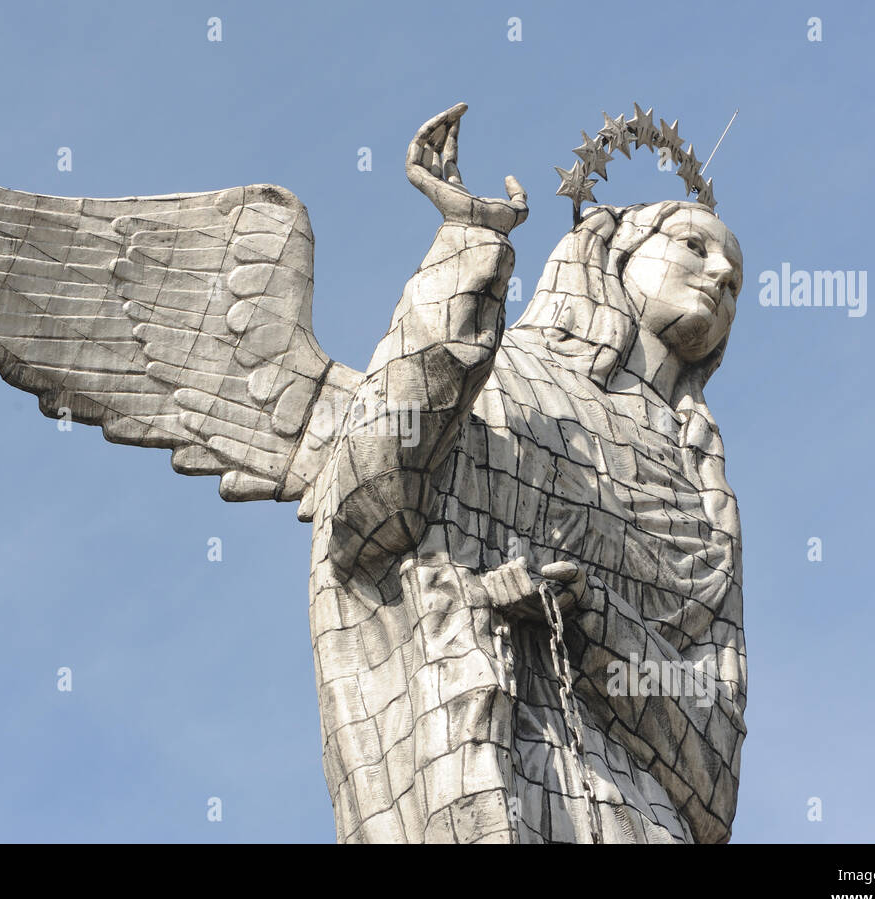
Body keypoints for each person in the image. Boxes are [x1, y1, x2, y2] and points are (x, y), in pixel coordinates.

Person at [310, 104, 747, 843]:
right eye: (695, 245)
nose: (723, 273)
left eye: (735, 278)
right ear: (612, 251)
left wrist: (595, 618)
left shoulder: (707, 496)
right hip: (500, 772)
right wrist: (468, 245)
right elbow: (367, 498)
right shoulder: (501, 371)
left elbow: (715, 781)